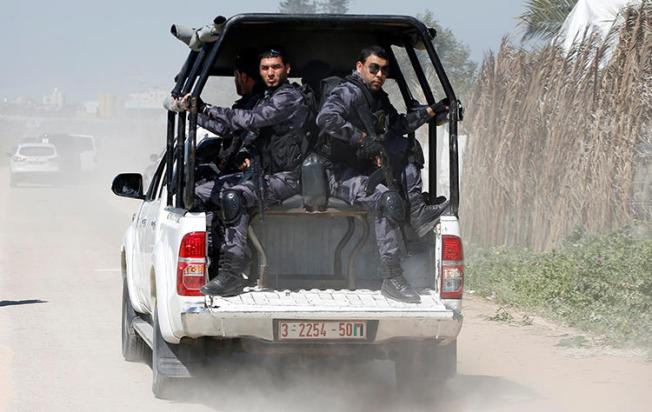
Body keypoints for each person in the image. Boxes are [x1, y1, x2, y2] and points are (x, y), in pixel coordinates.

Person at [316, 45, 450, 303]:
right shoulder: (348, 91)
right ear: (359, 67)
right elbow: (326, 118)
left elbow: (397, 126)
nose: (379, 75)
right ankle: (392, 277)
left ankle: (418, 211)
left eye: (384, 70)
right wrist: (361, 139)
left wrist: (430, 112)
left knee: (407, 146)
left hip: (364, 169)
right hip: (338, 173)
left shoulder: (376, 97)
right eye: (373, 68)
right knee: (386, 201)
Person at [182, 47, 311, 297]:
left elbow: (253, 120)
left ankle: (232, 274)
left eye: (275, 67)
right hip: (265, 175)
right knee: (201, 192)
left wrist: (206, 108)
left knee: (234, 197)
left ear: (287, 69)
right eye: (265, 68)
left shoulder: (288, 98)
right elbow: (233, 128)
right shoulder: (269, 97)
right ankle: (217, 258)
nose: (270, 73)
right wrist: (194, 112)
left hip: (288, 178)